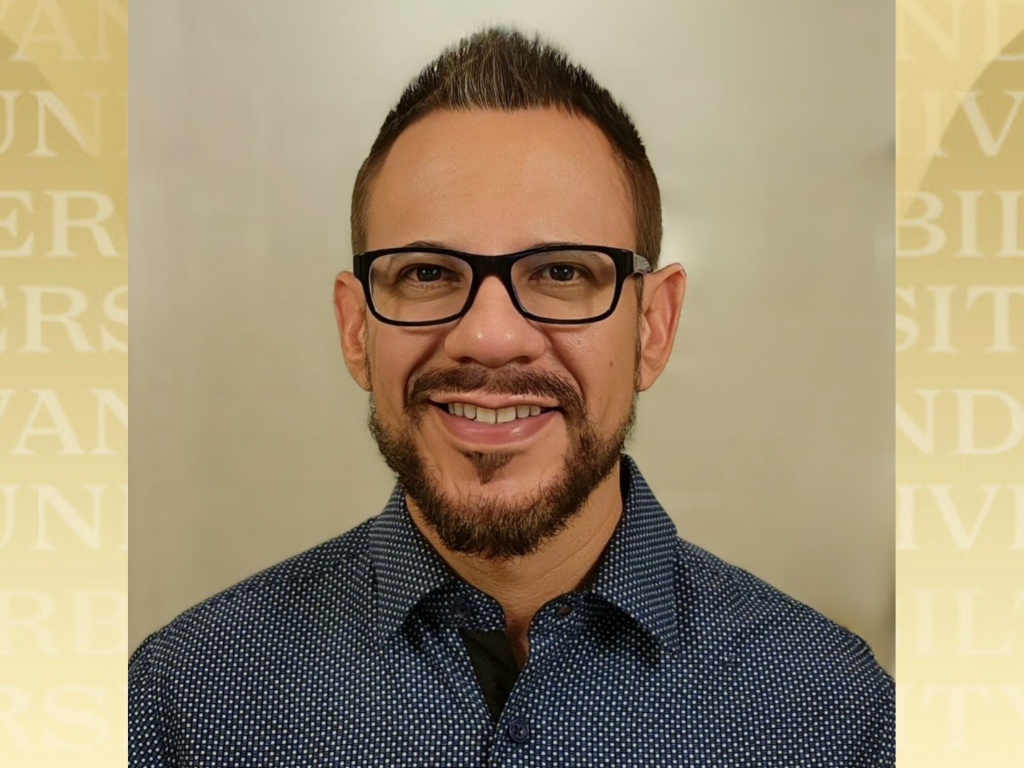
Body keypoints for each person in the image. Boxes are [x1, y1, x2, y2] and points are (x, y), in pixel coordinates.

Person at [129, 28, 894, 767]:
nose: (490, 338)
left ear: (653, 327)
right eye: (427, 273)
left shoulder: (839, 717)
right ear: (357, 328)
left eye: (562, 273)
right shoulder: (182, 703)